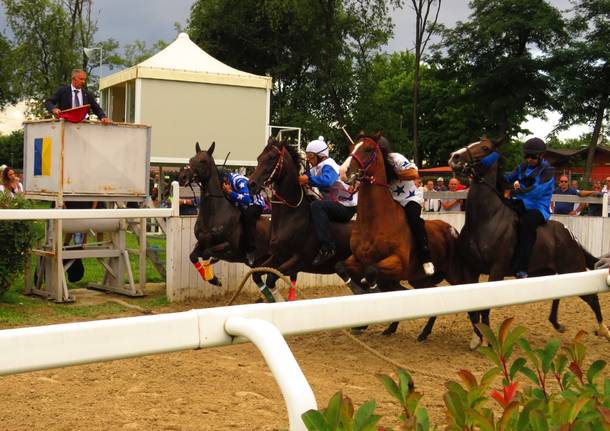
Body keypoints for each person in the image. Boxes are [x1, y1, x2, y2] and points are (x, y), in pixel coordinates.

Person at [378, 137, 435, 275]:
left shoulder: (396, 158)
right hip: (390, 201)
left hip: (409, 198)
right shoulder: (374, 165)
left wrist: (395, 174)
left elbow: (413, 173)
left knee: (414, 221)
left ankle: (425, 257)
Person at [299, 136, 357, 265]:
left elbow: (328, 181)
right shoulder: (315, 168)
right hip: (337, 203)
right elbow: (302, 179)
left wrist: (307, 180)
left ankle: (328, 247)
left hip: (347, 206)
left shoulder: (328, 164)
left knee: (316, 206)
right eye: (307, 156)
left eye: (311, 156)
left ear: (322, 156)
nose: (308, 159)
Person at [504, 137, 555, 279]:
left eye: (533, 156)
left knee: (526, 224)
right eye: (526, 156)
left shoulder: (548, 171)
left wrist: (515, 191)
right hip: (520, 203)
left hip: (538, 208)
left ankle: (522, 267)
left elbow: (536, 192)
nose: (529, 159)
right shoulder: (522, 167)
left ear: (541, 155)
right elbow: (508, 178)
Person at [220, 169, 265, 265]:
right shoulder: (226, 181)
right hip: (241, 205)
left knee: (247, 217)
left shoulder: (238, 181)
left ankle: (251, 251)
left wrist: (229, 192)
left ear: (225, 179)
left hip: (255, 203)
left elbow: (247, 199)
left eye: (221, 183)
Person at [45, 69, 110, 125]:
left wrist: (103, 117)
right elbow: (48, 102)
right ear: (73, 79)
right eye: (81, 79)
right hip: (66, 126)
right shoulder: (62, 91)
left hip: (84, 127)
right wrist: (53, 109)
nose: (83, 82)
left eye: (84, 79)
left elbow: (96, 108)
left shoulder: (87, 94)